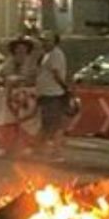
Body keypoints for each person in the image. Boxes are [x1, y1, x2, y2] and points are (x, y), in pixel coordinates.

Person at [0, 38, 40, 157]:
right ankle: (4, 146)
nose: (20, 51)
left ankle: (27, 146)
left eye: (23, 49)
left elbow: (36, 79)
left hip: (27, 96)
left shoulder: (32, 64)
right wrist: (3, 81)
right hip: (8, 96)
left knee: (27, 122)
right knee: (5, 121)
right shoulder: (7, 63)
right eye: (18, 49)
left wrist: (22, 81)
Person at [36, 32, 70, 160]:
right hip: (46, 92)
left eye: (48, 41)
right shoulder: (46, 55)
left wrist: (65, 87)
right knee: (47, 123)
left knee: (55, 124)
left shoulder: (56, 54)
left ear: (55, 42)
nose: (45, 43)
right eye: (43, 41)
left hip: (54, 93)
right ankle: (42, 149)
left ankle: (56, 151)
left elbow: (56, 73)